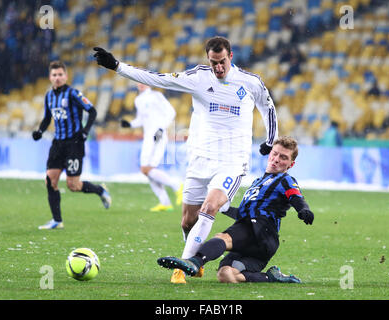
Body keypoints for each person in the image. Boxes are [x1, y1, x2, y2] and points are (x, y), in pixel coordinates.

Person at [94, 36, 278, 283]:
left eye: (222, 61)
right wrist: (118, 66)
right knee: (187, 221)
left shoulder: (250, 82)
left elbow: (268, 107)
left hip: (232, 161)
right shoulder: (198, 78)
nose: (218, 68)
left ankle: (184, 267)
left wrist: (270, 139)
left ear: (230, 56)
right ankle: (196, 259)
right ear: (208, 60)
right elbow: (158, 78)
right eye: (214, 63)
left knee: (210, 207)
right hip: (201, 159)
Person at [157, 136, 314, 284]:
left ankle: (194, 262)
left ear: (290, 164)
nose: (277, 159)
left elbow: (296, 197)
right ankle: (270, 277)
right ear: (270, 154)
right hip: (257, 242)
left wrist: (304, 210)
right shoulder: (258, 181)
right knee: (225, 274)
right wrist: (222, 208)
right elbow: (243, 213)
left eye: (283, 157)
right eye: (275, 154)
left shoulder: (285, 180)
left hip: (262, 231)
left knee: (223, 237)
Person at [32, 61, 112, 230]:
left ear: (66, 76)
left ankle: (100, 190)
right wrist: (39, 131)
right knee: (50, 180)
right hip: (58, 144)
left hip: (74, 143)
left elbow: (92, 111)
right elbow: (48, 118)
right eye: (54, 75)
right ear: (50, 77)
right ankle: (57, 220)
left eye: (60, 74)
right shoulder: (49, 96)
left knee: (73, 185)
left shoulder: (74, 93)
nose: (57, 78)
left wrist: (85, 131)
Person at [121, 83, 182, 212]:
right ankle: (165, 202)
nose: (140, 84)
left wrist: (161, 128)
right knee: (146, 170)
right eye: (138, 82)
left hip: (158, 135)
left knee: (147, 168)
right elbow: (141, 120)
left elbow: (171, 112)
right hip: (148, 136)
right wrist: (130, 124)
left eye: (143, 81)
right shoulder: (138, 100)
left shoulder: (156, 96)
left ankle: (177, 186)